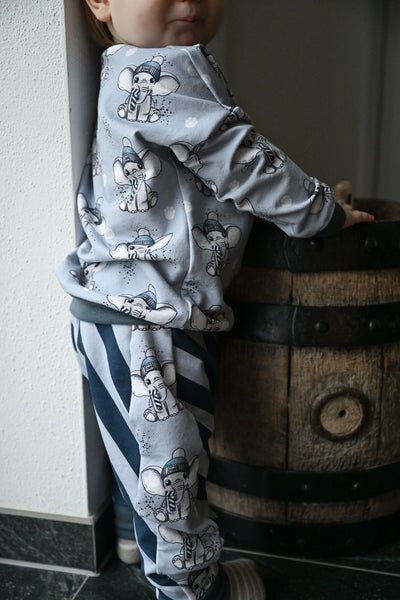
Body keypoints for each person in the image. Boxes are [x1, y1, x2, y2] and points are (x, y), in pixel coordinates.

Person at [57, 1, 374, 598]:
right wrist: (321, 211)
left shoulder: (122, 69)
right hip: (149, 324)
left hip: (116, 310)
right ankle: (192, 589)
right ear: (99, 0)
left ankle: (129, 534)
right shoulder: (166, 68)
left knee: (144, 451)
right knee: (172, 472)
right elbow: (241, 160)